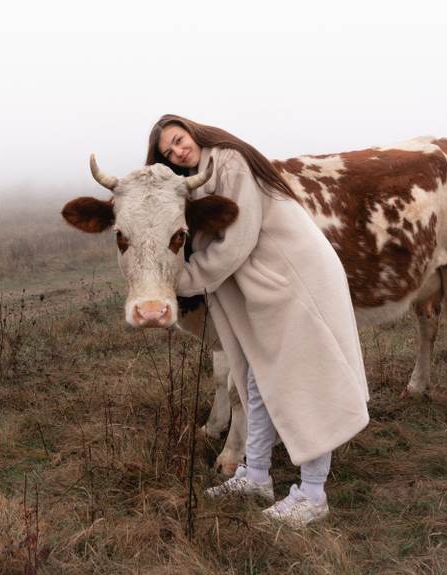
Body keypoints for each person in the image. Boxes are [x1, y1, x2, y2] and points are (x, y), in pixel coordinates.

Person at [146, 114, 370, 528]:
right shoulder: (197, 178)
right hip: (266, 288)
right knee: (257, 378)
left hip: (293, 281)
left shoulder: (228, 161)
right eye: (167, 152)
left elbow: (239, 239)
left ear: (192, 132)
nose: (177, 151)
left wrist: (183, 281)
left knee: (303, 379)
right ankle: (256, 475)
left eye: (178, 140)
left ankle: (313, 493)